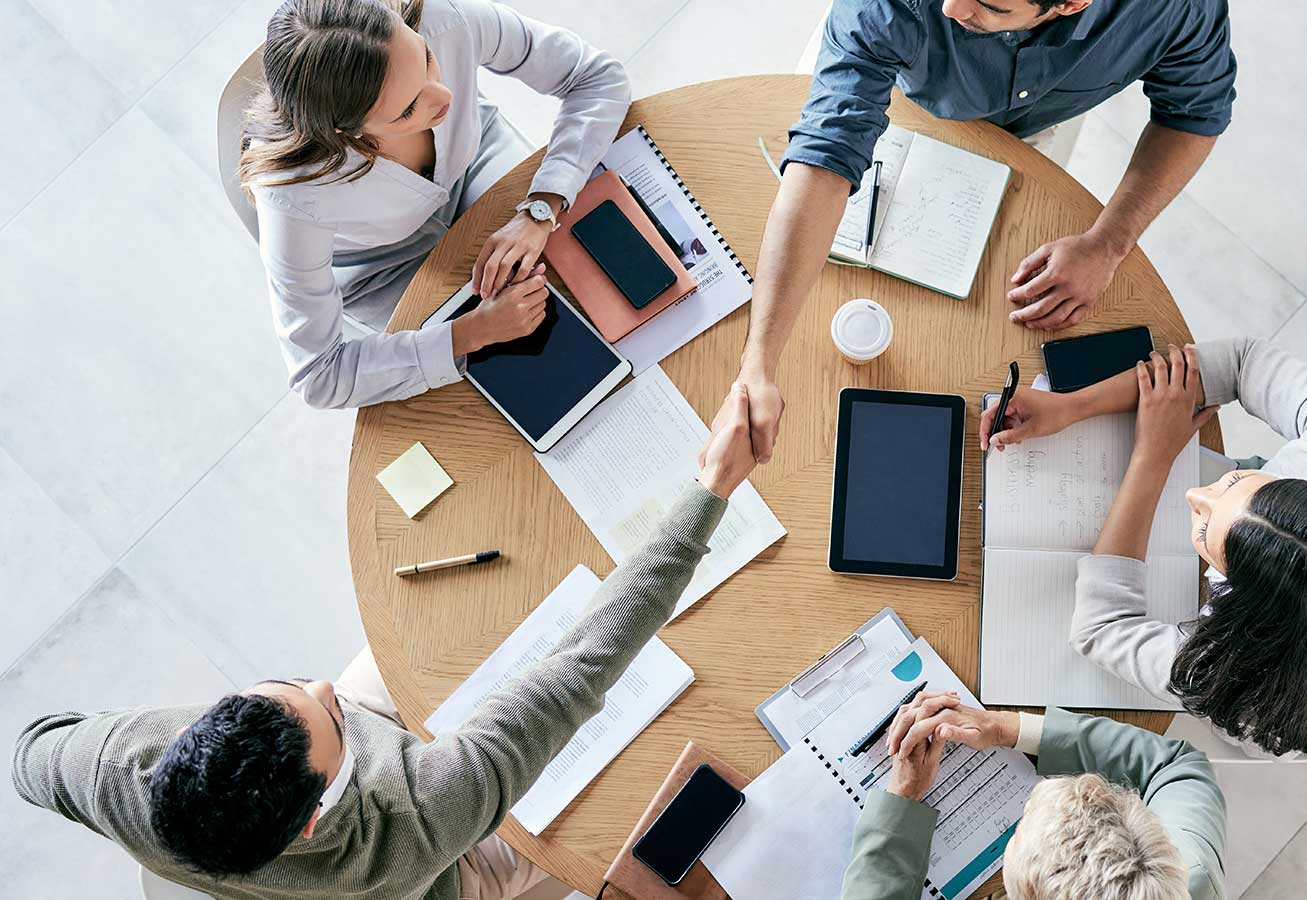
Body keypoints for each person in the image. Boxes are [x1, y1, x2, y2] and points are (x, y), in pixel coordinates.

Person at [10, 389, 758, 900]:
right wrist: (712, 493)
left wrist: (330, 729)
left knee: (468, 610)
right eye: (330, 718)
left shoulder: (113, 771)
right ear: (312, 821)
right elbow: (580, 670)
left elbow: (29, 756)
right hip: (447, 875)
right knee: (609, 820)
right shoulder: (421, 816)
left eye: (293, 685)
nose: (327, 688)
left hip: (325, 809)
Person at [720, 0, 1236, 462]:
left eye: (988, 4)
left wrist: (1108, 242)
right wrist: (758, 364)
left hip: (1030, 128)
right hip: (885, 71)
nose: (950, 8)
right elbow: (824, 157)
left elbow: (1194, 115)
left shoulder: (1173, 9)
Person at [982, 340, 1307, 756]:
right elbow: (1243, 362)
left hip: (1285, 714)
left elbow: (1100, 629)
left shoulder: (1241, 683)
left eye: (1205, 531)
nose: (1194, 497)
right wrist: (1072, 406)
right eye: (1237, 484)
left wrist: (1153, 458)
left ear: (1241, 607)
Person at [241, 0, 630, 409]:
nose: (444, 96)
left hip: (473, 166)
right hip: (384, 266)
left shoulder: (443, 19)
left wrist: (542, 207)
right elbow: (319, 376)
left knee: (596, 271)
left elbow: (598, 78)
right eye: (408, 109)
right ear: (345, 133)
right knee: (527, 381)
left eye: (425, 58)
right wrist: (469, 333)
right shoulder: (293, 194)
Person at [840, 692, 1226, 900]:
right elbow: (1177, 768)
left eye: (1018, 831)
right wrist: (1005, 727)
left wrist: (900, 801)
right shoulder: (1190, 877)